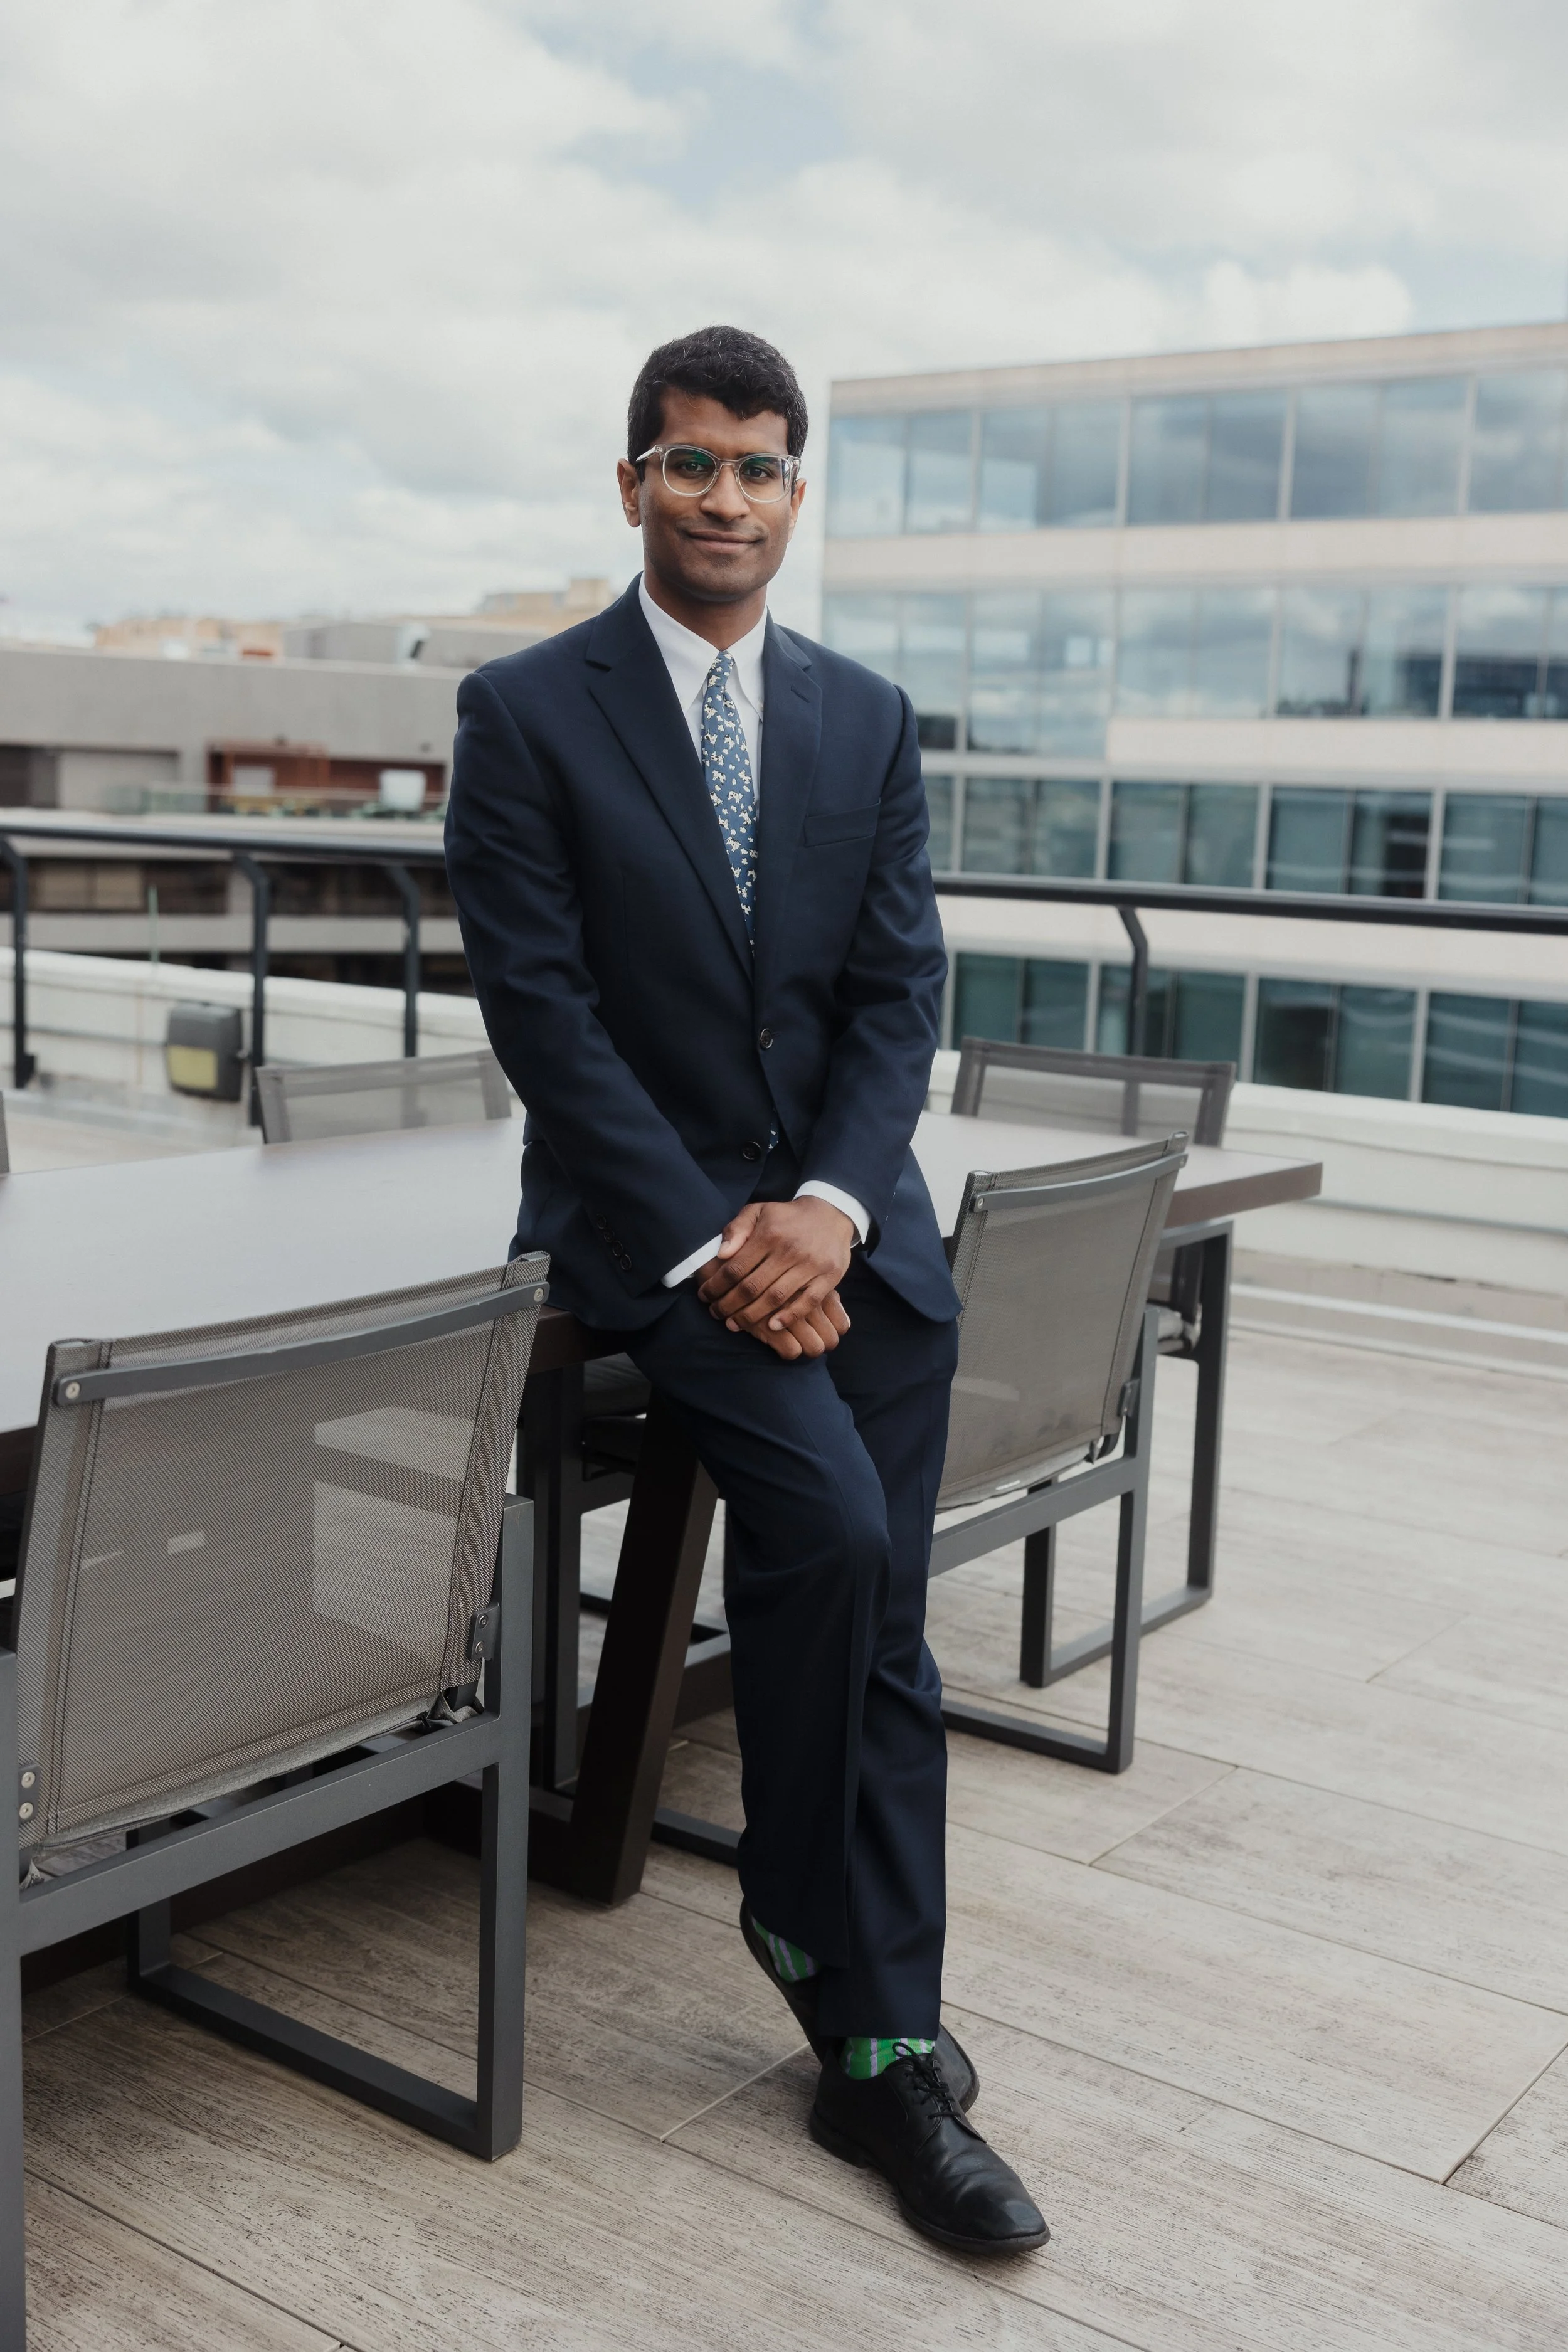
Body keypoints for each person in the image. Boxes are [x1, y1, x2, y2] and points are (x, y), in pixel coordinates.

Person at [445, 324, 1048, 2255]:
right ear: (629, 483)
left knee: (874, 1612)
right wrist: (723, 1240)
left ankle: (865, 1981)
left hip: (856, 1240)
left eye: (759, 466)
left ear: (797, 493)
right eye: (688, 462)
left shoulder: (866, 719)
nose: (725, 497)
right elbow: (543, 1015)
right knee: (837, 1540)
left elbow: (898, 996)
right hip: (652, 1244)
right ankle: (868, 2032)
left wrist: (831, 1211)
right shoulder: (528, 711)